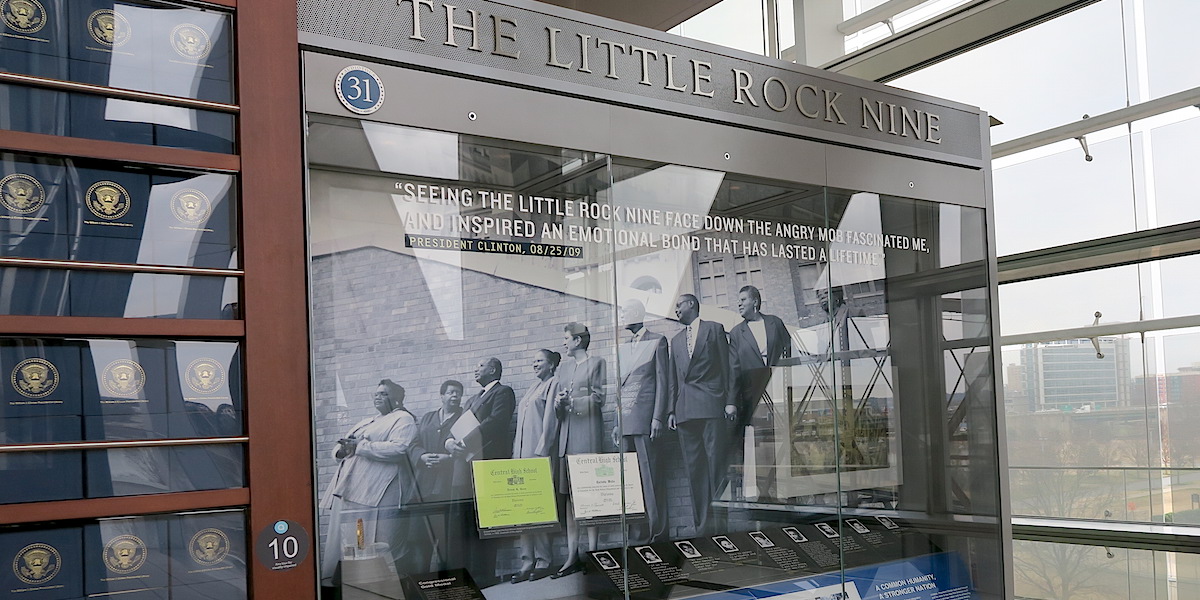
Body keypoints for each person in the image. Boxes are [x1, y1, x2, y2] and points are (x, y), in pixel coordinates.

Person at [321, 379, 428, 583]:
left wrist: (360, 447)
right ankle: (357, 583)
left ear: (397, 400)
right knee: (354, 539)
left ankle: (383, 585)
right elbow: (340, 446)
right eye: (376, 393)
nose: (378, 396)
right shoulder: (367, 421)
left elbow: (399, 449)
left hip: (378, 491)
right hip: (352, 489)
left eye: (384, 394)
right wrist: (343, 450)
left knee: (380, 540)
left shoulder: (403, 419)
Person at [444, 359, 516, 586]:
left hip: (487, 462)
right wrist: (449, 442)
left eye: (480, 366)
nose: (476, 368)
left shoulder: (503, 392)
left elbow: (496, 422)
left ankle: (483, 574)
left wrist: (465, 440)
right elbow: (456, 426)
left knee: (484, 521)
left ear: (492, 370)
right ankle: (463, 571)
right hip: (464, 466)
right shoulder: (472, 399)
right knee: (462, 520)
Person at [668, 294, 734, 536]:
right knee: (694, 469)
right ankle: (702, 529)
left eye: (679, 305)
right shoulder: (675, 341)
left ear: (692, 305)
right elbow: (674, 379)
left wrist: (730, 402)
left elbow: (728, 367)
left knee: (716, 467)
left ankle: (721, 528)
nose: (675, 310)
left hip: (711, 404)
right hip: (685, 411)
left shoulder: (714, 329)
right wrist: (671, 410)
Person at [612, 299, 670, 545]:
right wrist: (617, 422)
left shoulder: (657, 340)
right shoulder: (624, 347)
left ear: (637, 313)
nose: (622, 317)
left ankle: (657, 534)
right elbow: (619, 389)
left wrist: (658, 417)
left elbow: (663, 381)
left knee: (651, 478)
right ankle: (636, 535)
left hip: (647, 420)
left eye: (625, 312)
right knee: (631, 480)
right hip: (626, 422)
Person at [551, 322, 606, 579]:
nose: (564, 343)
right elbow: (558, 408)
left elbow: (598, 398)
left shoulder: (597, 363)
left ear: (578, 341)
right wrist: (560, 403)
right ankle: (572, 555)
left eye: (566, 338)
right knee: (570, 499)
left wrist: (573, 402)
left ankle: (593, 554)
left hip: (587, 437)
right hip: (567, 437)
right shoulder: (563, 368)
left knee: (590, 498)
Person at [727, 285, 791, 499]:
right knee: (759, 441)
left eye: (743, 299)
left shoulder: (775, 323)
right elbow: (733, 369)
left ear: (755, 302)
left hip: (778, 389)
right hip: (752, 395)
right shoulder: (737, 333)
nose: (739, 303)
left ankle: (784, 490)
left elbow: (788, 351)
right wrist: (731, 401)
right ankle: (761, 491)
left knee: (782, 438)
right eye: (739, 300)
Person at [509, 350, 562, 583]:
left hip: (538, 454)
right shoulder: (532, 388)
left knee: (539, 508)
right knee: (523, 509)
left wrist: (543, 449)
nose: (535, 364)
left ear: (551, 365)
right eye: (533, 361)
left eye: (539, 360)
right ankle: (526, 560)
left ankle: (543, 560)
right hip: (521, 456)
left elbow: (551, 418)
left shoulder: (553, 384)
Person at [410, 380, 468, 570]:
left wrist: (448, 458)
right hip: (423, 488)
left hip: (446, 488)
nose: (455, 396)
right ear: (442, 396)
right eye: (451, 392)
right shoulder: (427, 418)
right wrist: (423, 456)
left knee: (446, 542)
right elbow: (413, 445)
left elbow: (468, 449)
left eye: (458, 393)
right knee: (419, 541)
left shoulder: (463, 418)